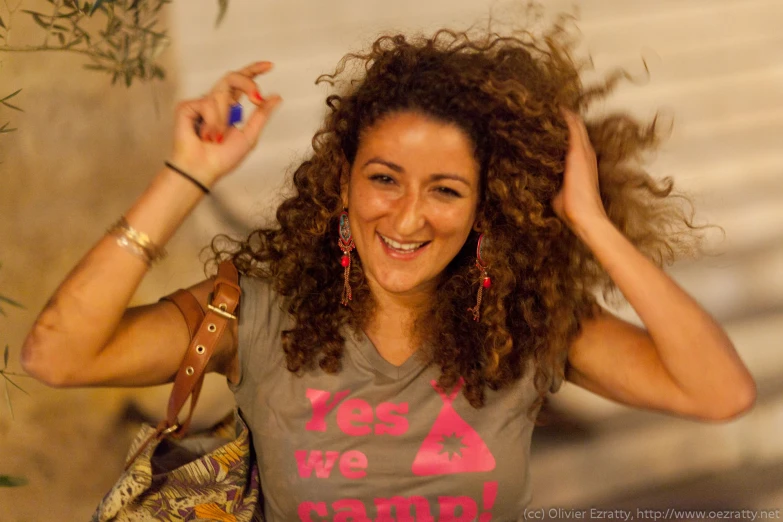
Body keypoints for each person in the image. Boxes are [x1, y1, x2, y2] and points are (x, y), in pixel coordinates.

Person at [21, 22, 755, 521]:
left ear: (482, 207)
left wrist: (589, 221)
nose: (406, 219)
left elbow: (718, 394)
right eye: (384, 180)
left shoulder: (522, 328)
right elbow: (57, 355)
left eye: (445, 190)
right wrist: (189, 172)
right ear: (341, 182)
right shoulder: (254, 312)